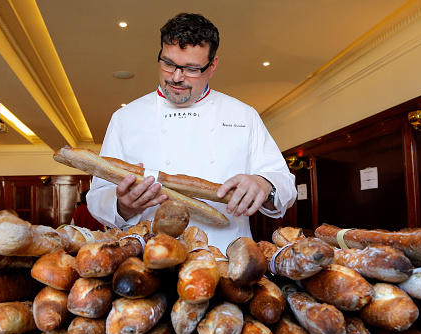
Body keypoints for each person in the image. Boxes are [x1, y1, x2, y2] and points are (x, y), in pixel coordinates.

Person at [88, 13, 296, 253]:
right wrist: (122, 206)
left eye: (191, 69)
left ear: (213, 66)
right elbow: (97, 196)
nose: (176, 77)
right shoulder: (125, 118)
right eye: (168, 63)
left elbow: (284, 185)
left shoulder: (243, 115)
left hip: (228, 260)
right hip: (147, 262)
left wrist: (264, 184)